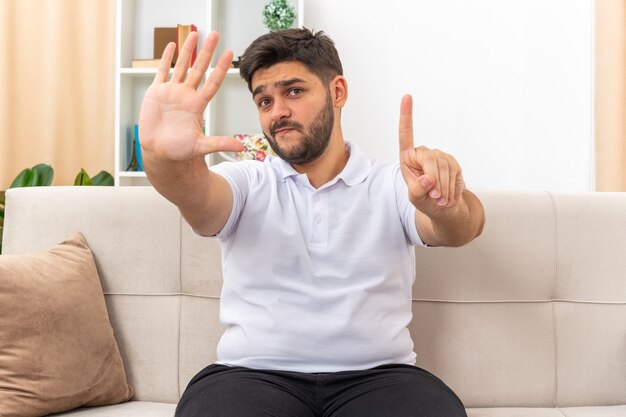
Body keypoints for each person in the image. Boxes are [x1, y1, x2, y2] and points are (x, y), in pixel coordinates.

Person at [139, 28, 485, 417]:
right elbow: (194, 195)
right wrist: (160, 157)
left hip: (380, 378)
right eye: (265, 100)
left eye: (294, 92)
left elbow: (461, 227)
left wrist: (444, 203)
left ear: (337, 92)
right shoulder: (248, 180)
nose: (277, 112)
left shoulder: (392, 183)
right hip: (251, 376)